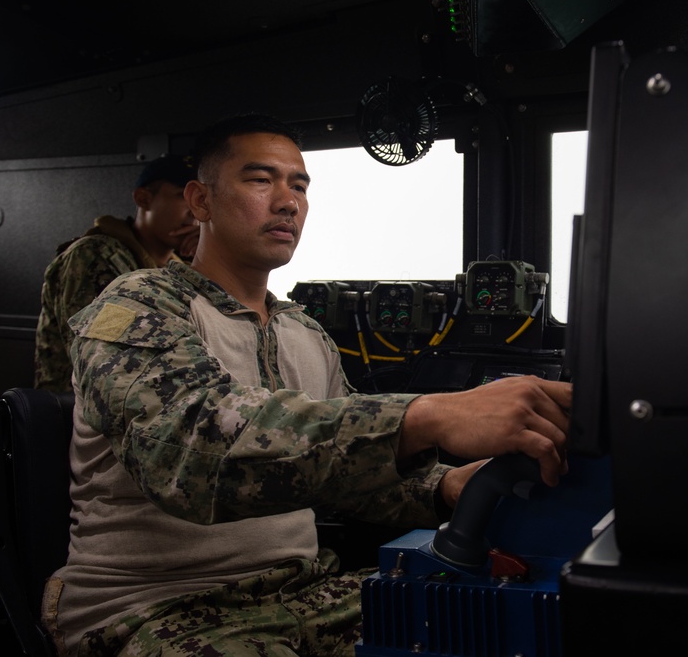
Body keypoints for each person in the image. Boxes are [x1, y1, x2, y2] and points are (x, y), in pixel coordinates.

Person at [41, 113, 572, 656]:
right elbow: (193, 454)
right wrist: (431, 415)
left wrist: (449, 485)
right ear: (200, 202)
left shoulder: (304, 331)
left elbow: (347, 474)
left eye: (299, 185)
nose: (287, 201)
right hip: (157, 605)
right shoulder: (136, 306)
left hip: (308, 593)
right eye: (260, 180)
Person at [33, 155, 200, 392]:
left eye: (201, 199)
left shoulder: (181, 266)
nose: (195, 210)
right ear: (143, 198)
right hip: (77, 408)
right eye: (182, 196)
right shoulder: (95, 256)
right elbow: (106, 358)